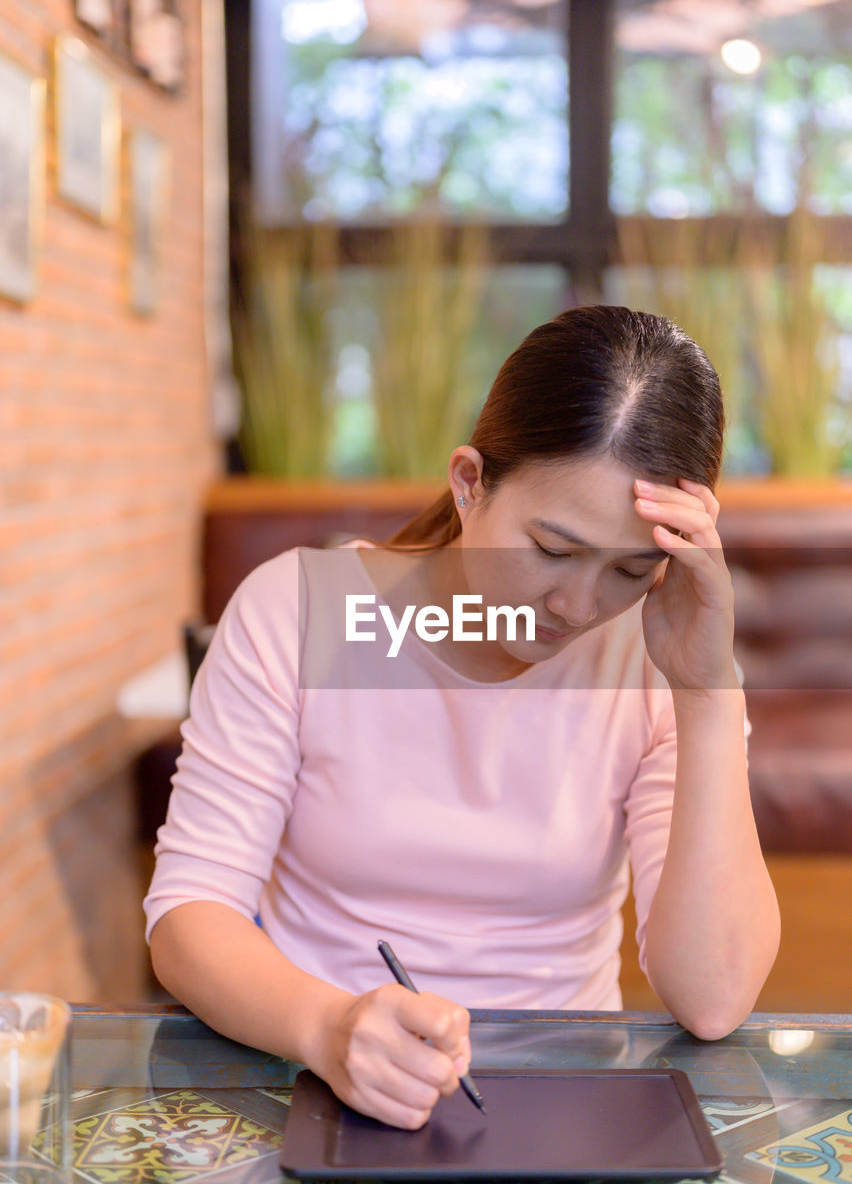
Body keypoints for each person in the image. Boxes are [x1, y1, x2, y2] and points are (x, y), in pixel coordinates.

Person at [145, 305, 780, 1131]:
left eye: (631, 568)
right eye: (551, 549)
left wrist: (704, 695)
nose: (578, 605)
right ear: (469, 481)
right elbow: (191, 915)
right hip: (318, 1083)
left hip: (559, 1104)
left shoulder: (659, 660)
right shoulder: (299, 612)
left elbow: (715, 997)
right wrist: (327, 1028)